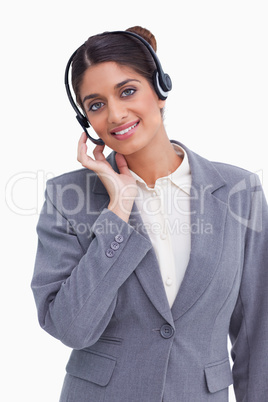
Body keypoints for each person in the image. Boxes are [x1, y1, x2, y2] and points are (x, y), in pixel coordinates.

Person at [31, 26, 268, 402]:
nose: (115, 114)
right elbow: (72, 328)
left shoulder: (241, 192)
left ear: (159, 89)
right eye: (96, 105)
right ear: (86, 122)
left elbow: (258, 334)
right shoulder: (68, 196)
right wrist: (118, 211)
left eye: (127, 91)